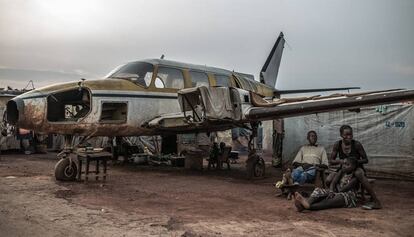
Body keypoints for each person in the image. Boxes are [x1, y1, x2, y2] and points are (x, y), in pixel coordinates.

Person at [328, 125, 382, 209]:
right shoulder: (337, 144)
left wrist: (353, 162)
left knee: (358, 173)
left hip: (356, 168)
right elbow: (331, 161)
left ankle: (376, 201)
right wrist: (341, 161)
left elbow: (365, 160)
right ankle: (336, 197)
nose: (349, 136)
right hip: (344, 168)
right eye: (346, 135)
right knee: (329, 180)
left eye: (350, 134)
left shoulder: (356, 144)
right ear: (341, 135)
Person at [294, 157, 359, 211]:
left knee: (328, 201)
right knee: (318, 191)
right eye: (344, 164)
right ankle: (307, 203)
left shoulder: (354, 177)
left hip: (347, 196)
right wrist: (331, 191)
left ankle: (305, 207)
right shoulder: (341, 172)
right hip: (336, 191)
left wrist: (334, 192)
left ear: (354, 167)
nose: (344, 166)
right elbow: (333, 183)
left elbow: (343, 189)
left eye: (347, 165)